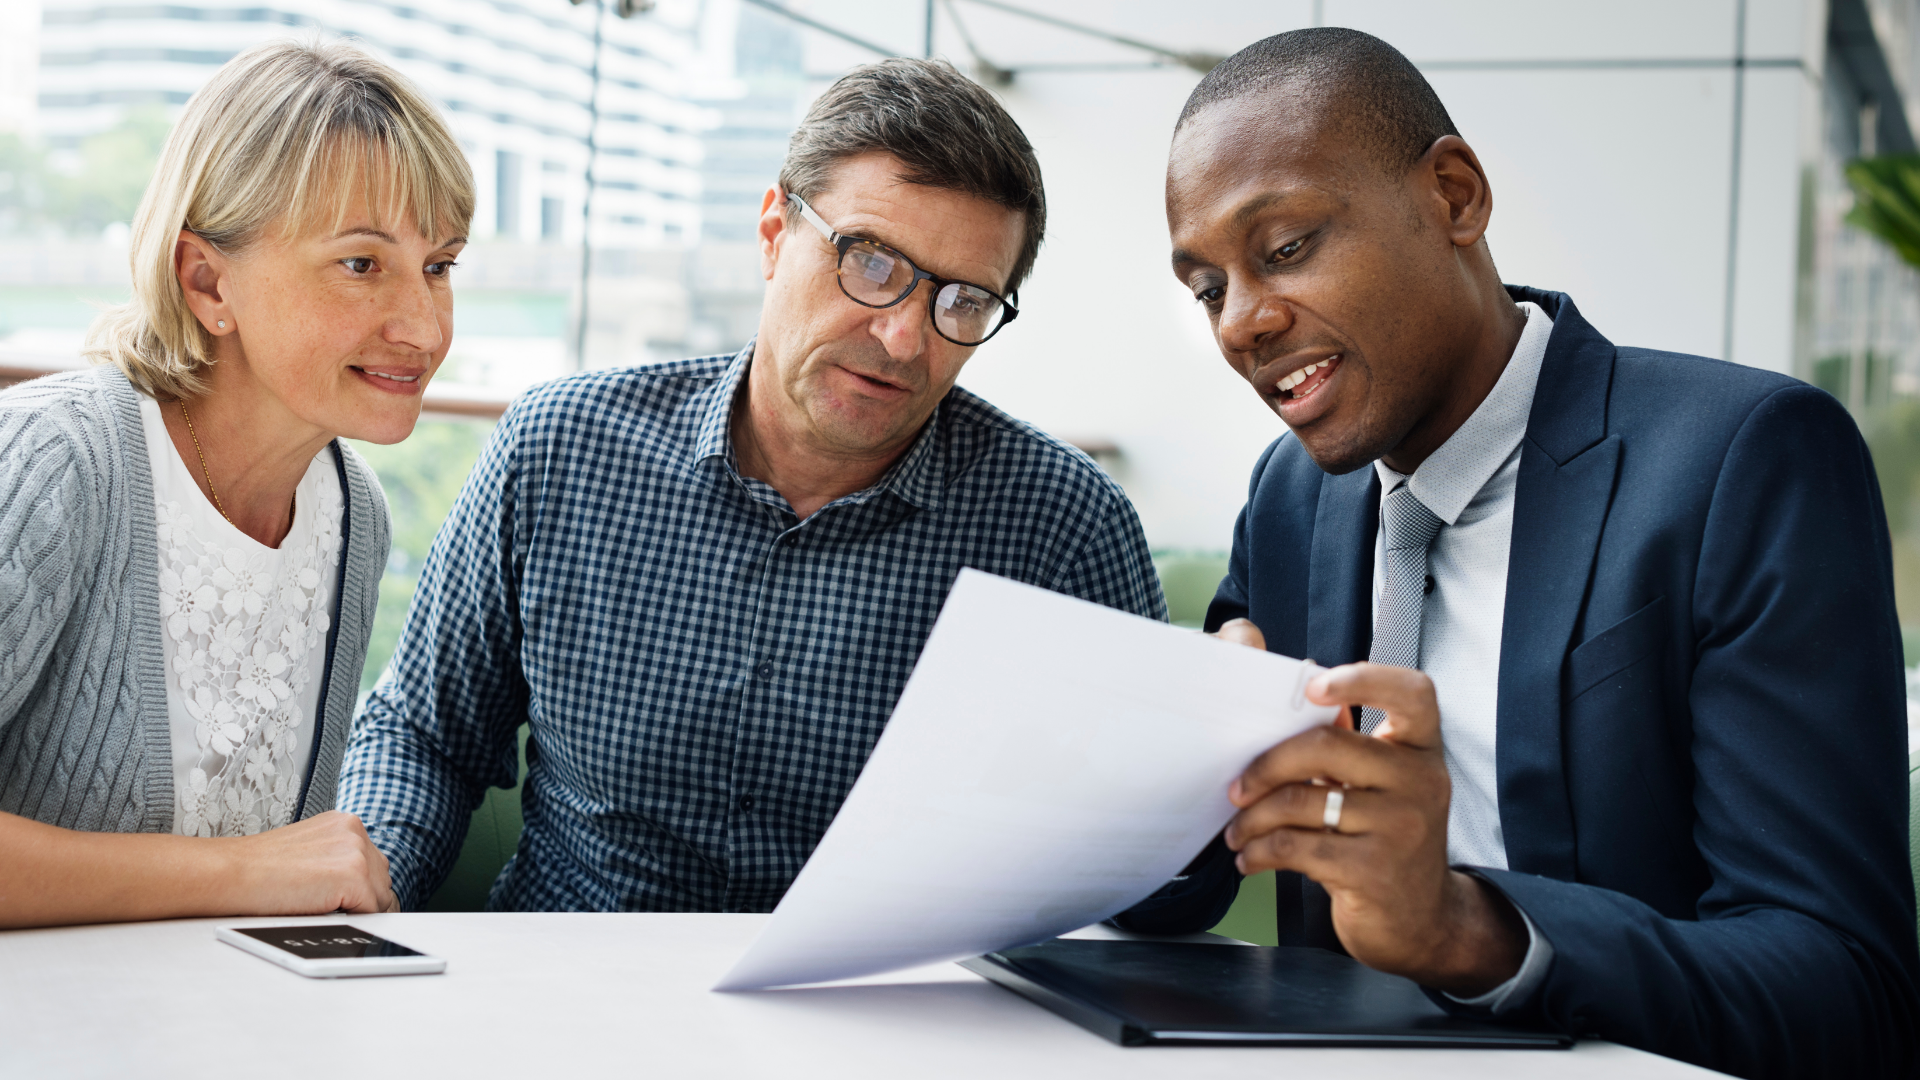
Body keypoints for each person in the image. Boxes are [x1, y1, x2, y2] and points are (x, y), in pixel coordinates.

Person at [1118, 28, 1920, 1079]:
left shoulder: (1744, 460)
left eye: (1284, 248)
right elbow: (1190, 889)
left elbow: (1846, 987)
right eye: (1206, 288)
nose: (1241, 324)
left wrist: (1470, 932)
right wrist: (1161, 779)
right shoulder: (1292, 497)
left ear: (1454, 196)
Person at [337, 58, 1165, 913]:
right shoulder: (560, 448)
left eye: (961, 303)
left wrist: (1203, 782)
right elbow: (423, 738)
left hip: (884, 1026)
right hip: (563, 999)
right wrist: (360, 897)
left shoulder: (1064, 527)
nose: (905, 338)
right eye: (872, 263)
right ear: (775, 231)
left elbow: (1144, 871)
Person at [0, 38, 474, 928]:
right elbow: (262, 874)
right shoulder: (56, 464)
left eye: (440, 266)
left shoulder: (351, 514)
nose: (422, 325)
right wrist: (238, 875)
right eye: (361, 264)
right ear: (207, 280)